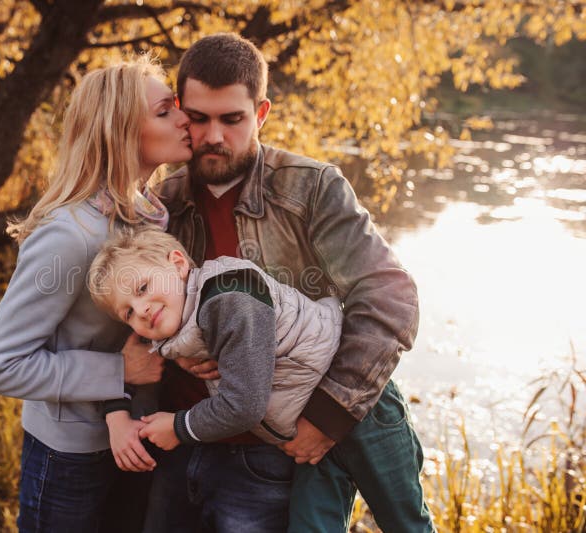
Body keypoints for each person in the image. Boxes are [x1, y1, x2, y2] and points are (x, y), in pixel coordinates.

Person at [145, 33, 436, 532]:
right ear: (180, 111)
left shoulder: (311, 188)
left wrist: (328, 417)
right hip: (184, 442)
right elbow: (135, 300)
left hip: (272, 453)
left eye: (232, 119)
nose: (214, 135)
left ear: (260, 114)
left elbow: (390, 296)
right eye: (199, 117)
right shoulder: (160, 203)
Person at [0, 55, 192, 532]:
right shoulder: (70, 234)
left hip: (136, 440)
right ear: (121, 133)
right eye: (164, 111)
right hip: (69, 457)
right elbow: (0, 366)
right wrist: (120, 370)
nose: (184, 119)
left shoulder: (151, 214)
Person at [87, 225, 343, 447]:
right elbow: (129, 359)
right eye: (128, 312)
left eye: (143, 288)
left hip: (343, 391)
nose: (141, 310)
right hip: (302, 425)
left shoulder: (229, 300)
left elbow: (244, 406)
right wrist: (116, 416)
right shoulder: (170, 322)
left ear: (178, 265)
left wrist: (178, 428)